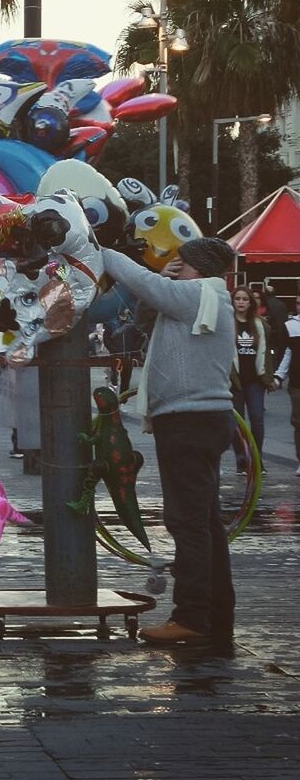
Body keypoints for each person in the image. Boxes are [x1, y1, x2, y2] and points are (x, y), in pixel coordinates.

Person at [102, 237, 237, 645]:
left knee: (187, 522)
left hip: (188, 421)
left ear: (198, 267)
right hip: (199, 419)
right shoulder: (200, 298)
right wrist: (162, 278)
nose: (174, 267)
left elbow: (145, 285)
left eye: (181, 262)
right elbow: (145, 318)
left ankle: (192, 618)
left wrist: (104, 251)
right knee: (205, 522)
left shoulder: (198, 295)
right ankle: (215, 614)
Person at [230, 286, 275, 475]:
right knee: (237, 424)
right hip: (234, 381)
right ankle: (241, 459)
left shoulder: (260, 325)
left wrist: (269, 377)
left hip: (255, 380)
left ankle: (257, 460)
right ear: (232, 302)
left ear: (251, 302)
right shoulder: (227, 323)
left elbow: (266, 354)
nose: (241, 302)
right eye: (237, 299)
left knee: (257, 421)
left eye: (244, 299)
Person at [273, 293, 300, 476]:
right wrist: (278, 376)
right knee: (298, 424)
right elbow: (287, 354)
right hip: (297, 384)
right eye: (298, 303)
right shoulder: (290, 326)